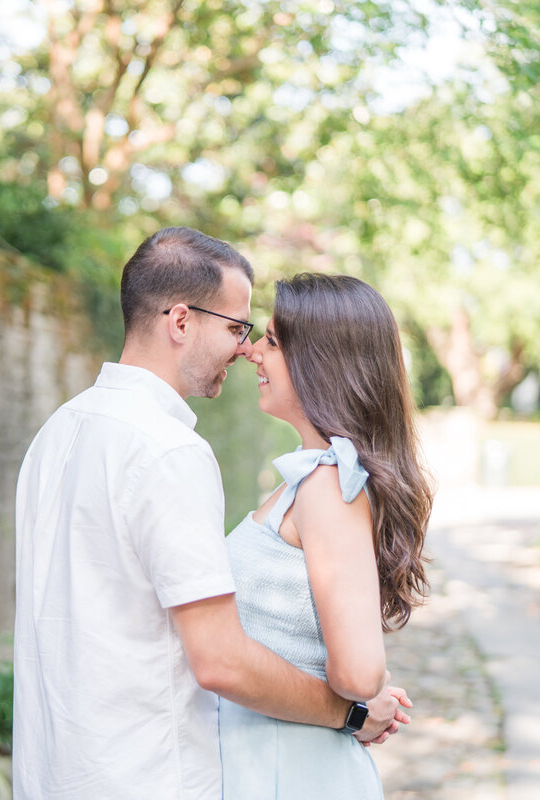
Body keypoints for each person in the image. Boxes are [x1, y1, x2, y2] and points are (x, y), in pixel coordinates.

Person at [13, 229, 408, 800]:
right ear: (180, 322)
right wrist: (349, 715)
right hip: (146, 776)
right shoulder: (168, 451)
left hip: (54, 772)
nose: (246, 350)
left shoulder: (57, 435)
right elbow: (220, 660)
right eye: (238, 329)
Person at [218, 272, 434, 799]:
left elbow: (360, 672)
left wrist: (357, 709)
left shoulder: (327, 483)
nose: (252, 353)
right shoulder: (314, 479)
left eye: (271, 340)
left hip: (288, 771)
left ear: (319, 360)